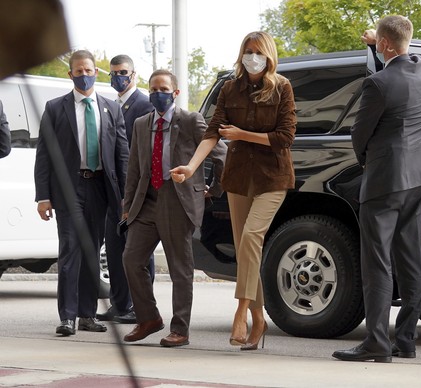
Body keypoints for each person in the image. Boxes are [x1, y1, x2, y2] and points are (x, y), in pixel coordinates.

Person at [170, 31, 296, 351]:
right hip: (239, 178)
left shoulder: (282, 87)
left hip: (273, 178)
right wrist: (191, 166)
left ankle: (241, 311)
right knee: (244, 252)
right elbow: (212, 134)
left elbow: (284, 138)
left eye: (258, 51)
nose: (252, 57)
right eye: (247, 51)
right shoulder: (230, 88)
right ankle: (260, 318)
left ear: (269, 55)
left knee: (252, 238)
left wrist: (242, 134)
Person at [332, 16, 421, 363]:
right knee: (411, 260)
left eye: (379, 41)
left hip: (385, 180)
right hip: (419, 177)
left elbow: (359, 134)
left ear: (386, 44)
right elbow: (398, 62)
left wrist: (366, 161)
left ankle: (376, 341)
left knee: (377, 262)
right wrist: (379, 43)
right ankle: (406, 339)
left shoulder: (377, 84)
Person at [121, 69, 226, 347]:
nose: (158, 94)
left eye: (163, 89)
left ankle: (180, 329)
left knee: (180, 268)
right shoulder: (142, 123)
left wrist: (213, 190)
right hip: (146, 201)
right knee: (131, 259)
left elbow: (221, 155)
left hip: (177, 200)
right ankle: (149, 319)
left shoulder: (191, 121)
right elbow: (134, 169)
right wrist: (127, 205)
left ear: (175, 93)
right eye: (153, 89)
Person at [34, 49, 129, 336]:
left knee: (91, 250)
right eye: (79, 71)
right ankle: (68, 316)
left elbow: (122, 154)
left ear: (96, 72)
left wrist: (125, 197)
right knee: (70, 250)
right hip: (68, 189)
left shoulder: (111, 108)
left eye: (89, 71)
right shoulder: (55, 108)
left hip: (100, 188)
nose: (84, 75)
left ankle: (87, 314)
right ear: (70, 74)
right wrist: (43, 196)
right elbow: (44, 155)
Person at [96, 54, 155, 324]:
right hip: (112, 189)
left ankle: (140, 306)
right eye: (113, 72)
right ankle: (120, 303)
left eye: (123, 72)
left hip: (136, 191)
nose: (118, 77)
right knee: (115, 246)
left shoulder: (144, 105)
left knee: (139, 250)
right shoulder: (108, 105)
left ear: (134, 75)